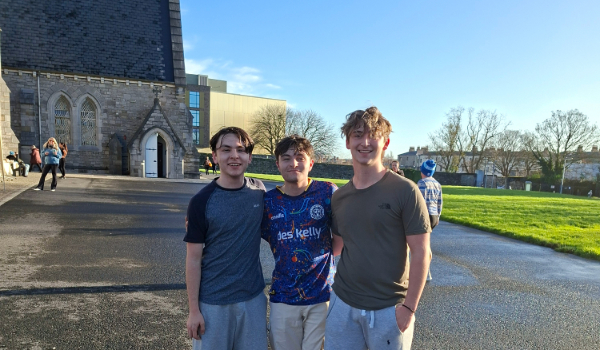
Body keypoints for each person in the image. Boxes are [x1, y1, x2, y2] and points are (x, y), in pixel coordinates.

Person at [325, 107, 432, 350]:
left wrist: (409, 308)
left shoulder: (405, 191)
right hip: (343, 303)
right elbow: (337, 247)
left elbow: (422, 252)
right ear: (347, 141)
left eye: (373, 135)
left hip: (389, 308)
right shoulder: (339, 197)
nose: (365, 142)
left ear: (386, 142)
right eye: (358, 134)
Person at [184, 127, 268, 350]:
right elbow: (193, 259)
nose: (234, 156)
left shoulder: (259, 191)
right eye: (226, 149)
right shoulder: (201, 202)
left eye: (241, 150)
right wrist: (194, 310)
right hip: (213, 303)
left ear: (249, 157)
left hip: (253, 300)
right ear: (214, 156)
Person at [261, 135, 343, 350]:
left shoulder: (327, 192)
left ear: (311, 163)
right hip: (283, 296)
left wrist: (323, 265)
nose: (293, 163)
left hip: (322, 295)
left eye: (300, 157)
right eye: (286, 158)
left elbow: (341, 237)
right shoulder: (268, 202)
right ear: (277, 163)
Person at [417, 159, 442, 282]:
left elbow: (418, 202)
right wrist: (438, 217)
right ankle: (427, 271)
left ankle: (423, 272)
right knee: (426, 244)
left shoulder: (421, 183)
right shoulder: (437, 184)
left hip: (423, 216)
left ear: (423, 171)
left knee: (419, 246)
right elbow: (439, 203)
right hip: (434, 216)